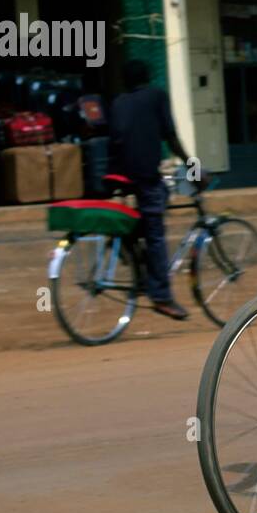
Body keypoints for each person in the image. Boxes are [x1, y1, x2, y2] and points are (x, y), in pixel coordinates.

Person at [108, 59, 193, 320]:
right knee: (156, 234)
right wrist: (193, 167)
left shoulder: (119, 102)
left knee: (154, 208)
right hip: (146, 175)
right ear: (147, 76)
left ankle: (130, 245)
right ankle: (162, 296)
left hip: (121, 174)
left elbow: (117, 138)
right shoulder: (157, 96)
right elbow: (171, 136)